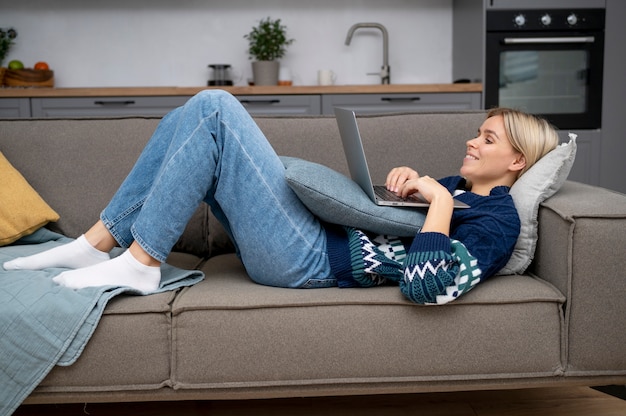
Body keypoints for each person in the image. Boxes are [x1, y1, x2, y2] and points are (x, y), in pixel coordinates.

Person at [3, 90, 559, 304]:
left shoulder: (497, 220)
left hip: (309, 261)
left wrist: (436, 202)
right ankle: (97, 243)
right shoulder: (460, 186)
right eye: (477, 131)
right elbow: (393, 220)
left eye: (487, 138)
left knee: (219, 107)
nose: (471, 140)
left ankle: (141, 263)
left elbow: (427, 287)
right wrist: (411, 184)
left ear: (517, 162)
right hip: (310, 237)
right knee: (194, 114)